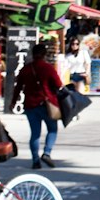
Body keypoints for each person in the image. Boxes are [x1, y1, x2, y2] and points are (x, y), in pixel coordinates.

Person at [13, 40, 64, 170]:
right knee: (52, 129)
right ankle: (46, 153)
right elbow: (58, 85)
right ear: (44, 54)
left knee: (35, 133)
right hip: (47, 104)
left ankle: (35, 160)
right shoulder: (48, 68)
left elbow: (18, 87)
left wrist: (13, 102)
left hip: (30, 105)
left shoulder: (26, 69)